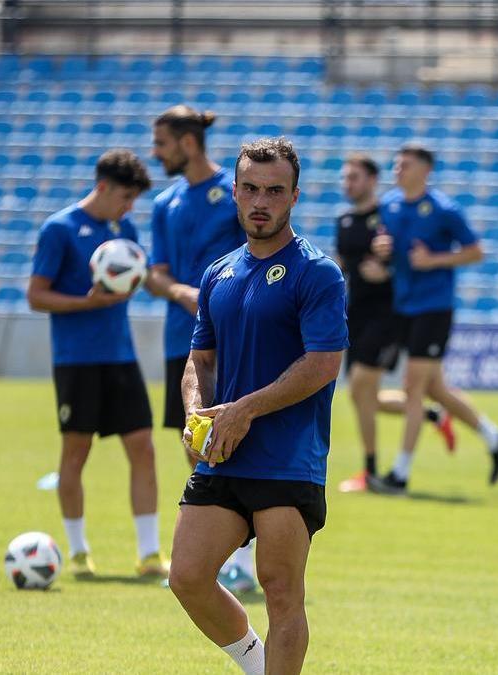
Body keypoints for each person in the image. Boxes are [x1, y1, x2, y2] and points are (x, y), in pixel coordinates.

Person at [167, 137, 347, 675]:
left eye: (274, 191)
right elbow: (200, 359)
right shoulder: (218, 273)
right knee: (187, 576)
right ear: (235, 192)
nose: (260, 201)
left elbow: (323, 364)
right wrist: (195, 410)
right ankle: (258, 663)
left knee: (280, 589)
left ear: (294, 196)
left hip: (288, 458)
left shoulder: (317, 272)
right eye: (250, 189)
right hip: (224, 454)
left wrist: (243, 409)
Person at [26, 149, 168, 579]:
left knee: (143, 447)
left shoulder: (125, 229)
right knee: (76, 452)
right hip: (77, 360)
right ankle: (78, 551)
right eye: (125, 197)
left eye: (134, 199)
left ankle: (149, 553)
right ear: (102, 187)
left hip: (121, 355)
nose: (129, 207)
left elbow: (138, 276)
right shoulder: (60, 229)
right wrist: (87, 303)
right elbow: (36, 295)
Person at [146, 105, 254, 591]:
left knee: (233, 441)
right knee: (195, 442)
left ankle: (244, 563)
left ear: (187, 143)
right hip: (180, 339)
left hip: (231, 338)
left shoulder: (234, 193)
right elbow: (155, 274)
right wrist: (182, 293)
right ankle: (222, 555)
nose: (155, 153)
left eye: (162, 143)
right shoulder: (164, 203)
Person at [369, 143, 498, 495]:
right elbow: (384, 243)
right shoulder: (389, 204)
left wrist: (434, 260)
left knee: (413, 389)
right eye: (397, 164)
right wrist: (381, 250)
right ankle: (495, 438)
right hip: (403, 305)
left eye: (405, 164)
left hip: (434, 307)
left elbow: (476, 251)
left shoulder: (443, 209)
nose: (398, 170)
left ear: (425, 169)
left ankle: (400, 474)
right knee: (435, 389)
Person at [333, 152, 456, 493]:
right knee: (362, 396)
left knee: (361, 385)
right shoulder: (344, 219)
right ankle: (430, 415)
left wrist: (385, 269)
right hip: (355, 314)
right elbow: (343, 262)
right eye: (345, 178)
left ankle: (371, 471)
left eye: (354, 177)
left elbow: (400, 256)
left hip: (387, 314)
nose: (347, 184)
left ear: (372, 180)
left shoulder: (388, 214)